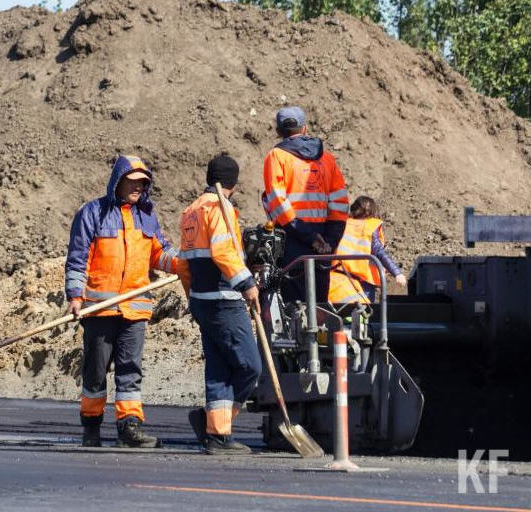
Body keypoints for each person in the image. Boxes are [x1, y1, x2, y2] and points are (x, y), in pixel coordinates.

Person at [64, 155, 180, 448]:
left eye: (143, 182)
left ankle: (130, 427)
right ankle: (91, 427)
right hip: (100, 309)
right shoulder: (93, 214)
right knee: (95, 371)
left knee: (130, 370)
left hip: (135, 309)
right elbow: (78, 260)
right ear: (118, 181)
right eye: (133, 181)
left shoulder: (146, 217)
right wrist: (76, 297)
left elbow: (160, 255)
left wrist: (184, 264)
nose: (138, 187)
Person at [178, 154, 263, 455]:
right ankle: (217, 427)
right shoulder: (220, 208)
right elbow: (224, 252)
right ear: (234, 185)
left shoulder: (191, 211)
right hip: (224, 300)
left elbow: (184, 264)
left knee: (218, 368)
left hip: (203, 301)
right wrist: (247, 283)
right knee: (250, 366)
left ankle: (215, 432)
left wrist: (192, 298)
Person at [262, 106, 349, 302]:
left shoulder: (276, 156)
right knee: (319, 307)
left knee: (295, 308)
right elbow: (340, 204)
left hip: (293, 240)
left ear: (278, 132)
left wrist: (311, 238)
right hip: (324, 242)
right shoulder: (327, 158)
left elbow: (278, 204)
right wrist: (329, 242)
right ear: (305, 128)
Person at [329, 196, 406, 305]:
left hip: (338, 279)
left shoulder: (342, 225)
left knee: (342, 314)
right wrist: (397, 273)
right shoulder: (369, 227)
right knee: (364, 315)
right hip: (362, 282)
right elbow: (379, 251)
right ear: (372, 212)